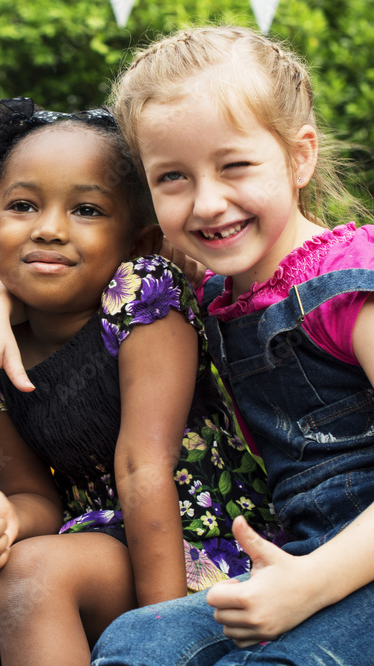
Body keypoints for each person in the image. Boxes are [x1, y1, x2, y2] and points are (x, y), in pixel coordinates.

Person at [0, 96, 276, 666]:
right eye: (24, 206)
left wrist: (164, 636)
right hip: (95, 543)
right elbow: (35, 496)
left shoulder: (141, 297)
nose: (51, 230)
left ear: (138, 242)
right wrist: (5, 519)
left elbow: (142, 465)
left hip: (197, 547)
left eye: (86, 210)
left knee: (33, 574)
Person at [88, 26, 374, 665]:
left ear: (299, 157)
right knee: (136, 643)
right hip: (298, 555)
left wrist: (309, 585)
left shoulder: (351, 285)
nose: (208, 203)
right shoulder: (211, 285)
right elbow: (59, 285)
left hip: (347, 562)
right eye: (173, 178)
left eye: (235, 165)